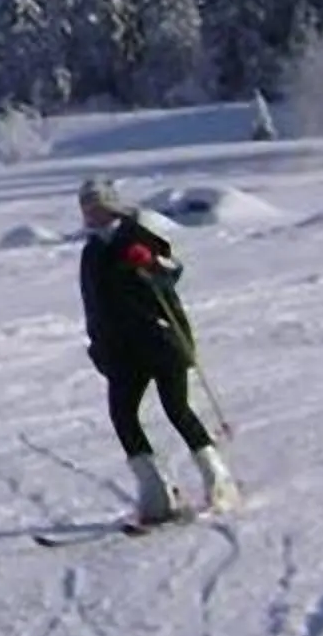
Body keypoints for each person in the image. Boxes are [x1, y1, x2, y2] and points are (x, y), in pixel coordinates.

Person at [76, 176, 237, 523]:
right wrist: (98, 347)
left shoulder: (137, 236)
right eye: (87, 209)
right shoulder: (91, 253)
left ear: (111, 207)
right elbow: (93, 305)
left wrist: (148, 263)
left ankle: (219, 480)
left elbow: (172, 271)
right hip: (121, 352)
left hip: (161, 341)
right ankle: (156, 493)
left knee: (176, 409)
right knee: (123, 416)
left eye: (97, 208)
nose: (92, 215)